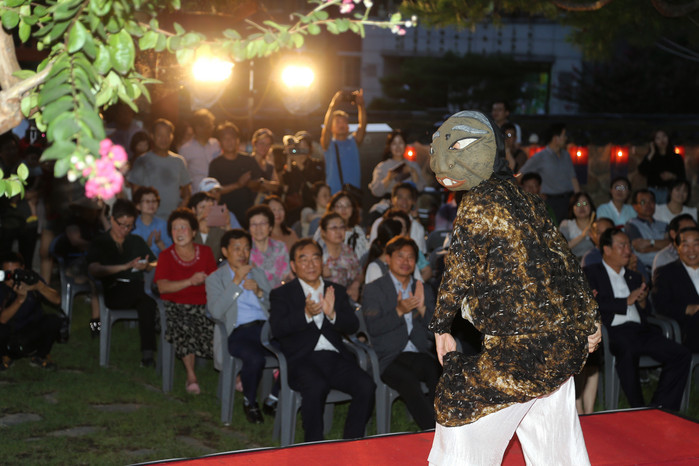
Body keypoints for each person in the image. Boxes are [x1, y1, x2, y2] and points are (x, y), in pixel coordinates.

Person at [427, 111, 599, 465]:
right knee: (554, 443)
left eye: (458, 145)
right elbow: (565, 261)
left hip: (520, 350)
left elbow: (459, 270)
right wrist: (589, 319)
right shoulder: (528, 200)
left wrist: (441, 325)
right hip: (560, 343)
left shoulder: (478, 202)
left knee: (458, 413)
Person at [269, 238, 375, 442]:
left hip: (334, 357)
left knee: (366, 385)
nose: (310, 264)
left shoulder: (335, 290)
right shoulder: (282, 294)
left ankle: (351, 443)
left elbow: (353, 326)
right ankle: (314, 445)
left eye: (315, 258)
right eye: (304, 259)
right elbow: (278, 330)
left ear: (322, 262)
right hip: (301, 359)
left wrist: (333, 314)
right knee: (316, 386)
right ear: (293, 266)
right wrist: (305, 314)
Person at [583, 228, 690, 410]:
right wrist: (625, 301)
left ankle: (660, 406)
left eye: (629, 245)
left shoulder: (633, 276)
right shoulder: (591, 273)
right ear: (607, 249)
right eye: (622, 245)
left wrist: (641, 302)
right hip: (613, 331)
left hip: (640, 330)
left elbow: (646, 312)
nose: (628, 250)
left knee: (681, 354)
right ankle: (637, 407)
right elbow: (591, 303)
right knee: (627, 348)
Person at [362, 236, 441, 431]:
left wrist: (423, 309)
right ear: (388, 259)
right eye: (400, 256)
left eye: (410, 257)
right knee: (408, 380)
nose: (406, 261)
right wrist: (398, 311)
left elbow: (435, 331)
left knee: (436, 371)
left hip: (417, 352)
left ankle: (443, 424)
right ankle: (432, 430)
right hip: (388, 356)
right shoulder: (374, 289)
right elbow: (374, 328)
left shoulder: (422, 288)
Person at [206, 229, 277, 423]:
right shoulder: (215, 278)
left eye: (246, 248)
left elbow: (274, 305)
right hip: (239, 332)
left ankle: (274, 399)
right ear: (225, 251)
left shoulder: (257, 273)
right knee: (255, 358)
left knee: (296, 349)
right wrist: (236, 282)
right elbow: (216, 312)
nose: (242, 253)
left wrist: (260, 292)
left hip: (265, 328)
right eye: (236, 248)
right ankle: (250, 402)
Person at [87, 199, 159, 367]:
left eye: (129, 226)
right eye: (121, 225)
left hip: (137, 289)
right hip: (113, 289)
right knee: (145, 295)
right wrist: (123, 267)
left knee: (146, 301)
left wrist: (147, 266)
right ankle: (151, 342)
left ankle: (148, 354)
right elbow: (94, 269)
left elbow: (155, 262)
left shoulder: (136, 241)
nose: (125, 230)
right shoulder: (101, 242)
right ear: (112, 219)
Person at [154, 208, 217, 394]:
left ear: (194, 231)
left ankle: (235, 374)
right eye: (175, 228)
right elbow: (162, 287)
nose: (179, 232)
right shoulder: (166, 256)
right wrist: (190, 281)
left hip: (203, 306)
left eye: (184, 227)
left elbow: (215, 282)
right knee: (185, 322)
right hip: (174, 307)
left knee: (224, 324)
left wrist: (207, 280)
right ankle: (191, 375)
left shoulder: (205, 252)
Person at [0, 252, 63, 370]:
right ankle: (4, 357)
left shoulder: (30, 278)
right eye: (8, 273)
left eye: (17, 272)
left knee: (53, 320)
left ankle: (40, 356)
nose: (13, 277)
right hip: (8, 335)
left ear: (23, 268)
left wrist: (39, 286)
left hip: (30, 331)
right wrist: (20, 299)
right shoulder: (2, 286)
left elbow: (57, 300)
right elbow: (2, 319)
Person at [127, 119, 192, 219]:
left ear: (172, 137)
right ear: (152, 136)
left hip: (173, 220)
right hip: (149, 220)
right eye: (160, 135)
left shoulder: (179, 161)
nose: (164, 139)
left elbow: (187, 192)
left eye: (167, 135)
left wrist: (179, 211)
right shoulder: (142, 160)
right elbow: (135, 192)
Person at [519, 122, 580, 224]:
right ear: (556, 138)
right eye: (564, 135)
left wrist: (578, 197)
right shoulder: (540, 156)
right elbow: (520, 174)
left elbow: (573, 178)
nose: (566, 138)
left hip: (569, 200)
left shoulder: (566, 155)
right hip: (552, 202)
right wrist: (533, 194)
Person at [653, 226, 699, 352]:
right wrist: (687, 309)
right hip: (686, 329)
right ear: (677, 247)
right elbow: (661, 306)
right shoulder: (666, 273)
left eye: (696, 244)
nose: (691, 250)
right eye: (685, 245)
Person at [209, 122, 258, 226]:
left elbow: (257, 184)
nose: (229, 142)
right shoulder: (215, 164)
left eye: (232, 138)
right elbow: (214, 191)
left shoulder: (248, 160)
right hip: (224, 215)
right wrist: (238, 184)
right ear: (220, 143)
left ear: (238, 140)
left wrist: (250, 183)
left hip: (247, 214)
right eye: (225, 139)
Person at [320, 90, 367, 194]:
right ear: (331, 127)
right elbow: (326, 130)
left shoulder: (353, 142)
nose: (341, 125)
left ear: (348, 126)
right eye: (337, 122)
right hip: (333, 195)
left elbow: (362, 126)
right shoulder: (328, 144)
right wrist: (333, 105)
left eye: (344, 122)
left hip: (353, 195)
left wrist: (361, 106)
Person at [368, 182, 427, 254]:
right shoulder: (379, 223)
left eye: (408, 198)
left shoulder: (417, 227)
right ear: (392, 200)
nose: (404, 201)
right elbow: (373, 250)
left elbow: (421, 254)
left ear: (413, 201)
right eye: (400, 197)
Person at [312, 191, 370, 262]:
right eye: (339, 206)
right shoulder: (325, 228)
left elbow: (365, 255)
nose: (344, 209)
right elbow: (316, 252)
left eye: (347, 205)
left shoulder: (358, 231)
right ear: (332, 209)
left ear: (353, 209)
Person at [281, 131, 325, 222]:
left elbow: (314, 181)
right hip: (293, 207)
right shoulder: (291, 166)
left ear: (310, 148)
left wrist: (298, 163)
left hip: (311, 206)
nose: (302, 149)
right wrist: (289, 158)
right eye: (299, 146)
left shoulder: (317, 164)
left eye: (305, 146)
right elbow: (287, 182)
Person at [369, 130, 426, 198]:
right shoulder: (382, 167)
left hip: (408, 202)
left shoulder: (413, 165)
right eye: (394, 143)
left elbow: (420, 189)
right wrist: (388, 179)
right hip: (389, 202)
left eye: (400, 143)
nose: (398, 147)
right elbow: (376, 192)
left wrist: (413, 172)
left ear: (405, 145)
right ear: (389, 147)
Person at [318, 212, 361, 302]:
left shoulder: (348, 251)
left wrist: (355, 285)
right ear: (323, 232)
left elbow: (358, 273)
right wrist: (319, 274)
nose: (339, 232)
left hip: (347, 297)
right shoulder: (317, 253)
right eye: (334, 228)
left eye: (342, 227)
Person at [625, 189, 670, 274]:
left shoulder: (664, 225)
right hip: (645, 271)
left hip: (666, 268)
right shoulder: (631, 225)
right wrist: (663, 245)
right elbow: (640, 248)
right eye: (643, 202)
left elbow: (671, 245)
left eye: (651, 202)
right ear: (635, 206)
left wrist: (650, 243)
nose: (648, 205)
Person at [246, 205, 291, 289]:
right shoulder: (246, 250)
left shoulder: (280, 247)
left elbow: (286, 276)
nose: (258, 228)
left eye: (262, 223)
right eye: (254, 224)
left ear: (270, 227)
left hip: (279, 293)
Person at [638, 129, 685, 205]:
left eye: (664, 136)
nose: (662, 140)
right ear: (654, 142)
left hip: (669, 191)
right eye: (658, 138)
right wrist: (652, 153)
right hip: (653, 190)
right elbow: (642, 170)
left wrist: (672, 176)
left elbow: (682, 176)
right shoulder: (651, 157)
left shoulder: (676, 158)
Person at [179, 109, 220, 194]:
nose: (211, 129)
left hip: (217, 193)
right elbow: (181, 176)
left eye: (212, 126)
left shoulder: (216, 144)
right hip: (197, 194)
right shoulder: (185, 149)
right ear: (198, 128)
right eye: (208, 126)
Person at [132, 187, 171, 258]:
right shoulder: (132, 225)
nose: (151, 204)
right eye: (147, 201)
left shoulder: (163, 224)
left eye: (154, 201)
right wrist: (146, 247)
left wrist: (160, 244)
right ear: (138, 206)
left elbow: (171, 254)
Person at [188, 192, 226, 263]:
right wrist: (196, 221)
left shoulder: (219, 231)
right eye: (202, 207)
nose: (207, 211)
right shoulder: (188, 230)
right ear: (193, 210)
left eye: (210, 208)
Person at [559, 192, 596, 260]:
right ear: (572, 208)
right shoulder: (566, 225)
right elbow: (561, 248)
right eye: (578, 204)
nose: (581, 207)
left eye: (585, 203)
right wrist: (582, 235)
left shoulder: (597, 225)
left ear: (591, 206)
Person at [250, 128, 281, 203]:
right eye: (261, 143)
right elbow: (249, 184)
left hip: (265, 204)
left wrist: (262, 182)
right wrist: (268, 185)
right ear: (254, 143)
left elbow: (276, 186)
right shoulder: (247, 161)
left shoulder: (269, 165)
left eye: (268, 144)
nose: (264, 147)